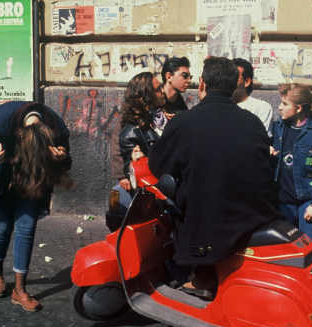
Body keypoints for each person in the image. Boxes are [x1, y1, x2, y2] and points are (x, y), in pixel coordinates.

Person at [149, 57, 280, 294]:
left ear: (202, 84)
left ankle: (200, 279)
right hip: (251, 214)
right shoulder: (251, 122)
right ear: (234, 87)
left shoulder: (184, 122)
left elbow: (159, 166)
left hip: (207, 221)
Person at [0, 101, 72, 312]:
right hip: (2, 179)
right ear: (18, 133)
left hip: (32, 179)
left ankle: (19, 289)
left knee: (27, 226)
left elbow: (66, 158)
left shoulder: (56, 126)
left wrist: (60, 157)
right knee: (3, 226)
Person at [271, 83, 312, 242]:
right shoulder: (277, 130)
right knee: (282, 252)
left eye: (285, 104)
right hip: (282, 204)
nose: (279, 107)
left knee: (306, 248)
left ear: (299, 108)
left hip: (307, 203)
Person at [116, 72, 166, 193]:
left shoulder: (161, 119)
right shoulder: (132, 133)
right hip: (155, 191)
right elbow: (134, 171)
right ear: (146, 96)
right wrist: (138, 160)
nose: (163, 91)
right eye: (158, 89)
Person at [232, 58, 273, 131]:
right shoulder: (219, 106)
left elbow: (260, 138)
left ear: (247, 81)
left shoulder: (262, 108)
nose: (228, 81)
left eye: (234, 78)